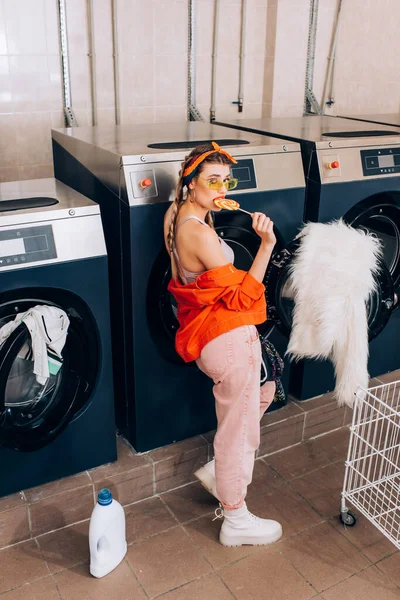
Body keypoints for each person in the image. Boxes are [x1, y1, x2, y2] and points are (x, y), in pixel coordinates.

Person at [164, 142, 282, 547]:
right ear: (190, 184)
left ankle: (221, 474)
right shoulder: (198, 233)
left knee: (264, 391)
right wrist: (266, 244)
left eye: (225, 181)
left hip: (214, 336)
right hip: (228, 342)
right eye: (211, 181)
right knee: (239, 433)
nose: (221, 188)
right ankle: (236, 517)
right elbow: (244, 295)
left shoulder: (182, 215)